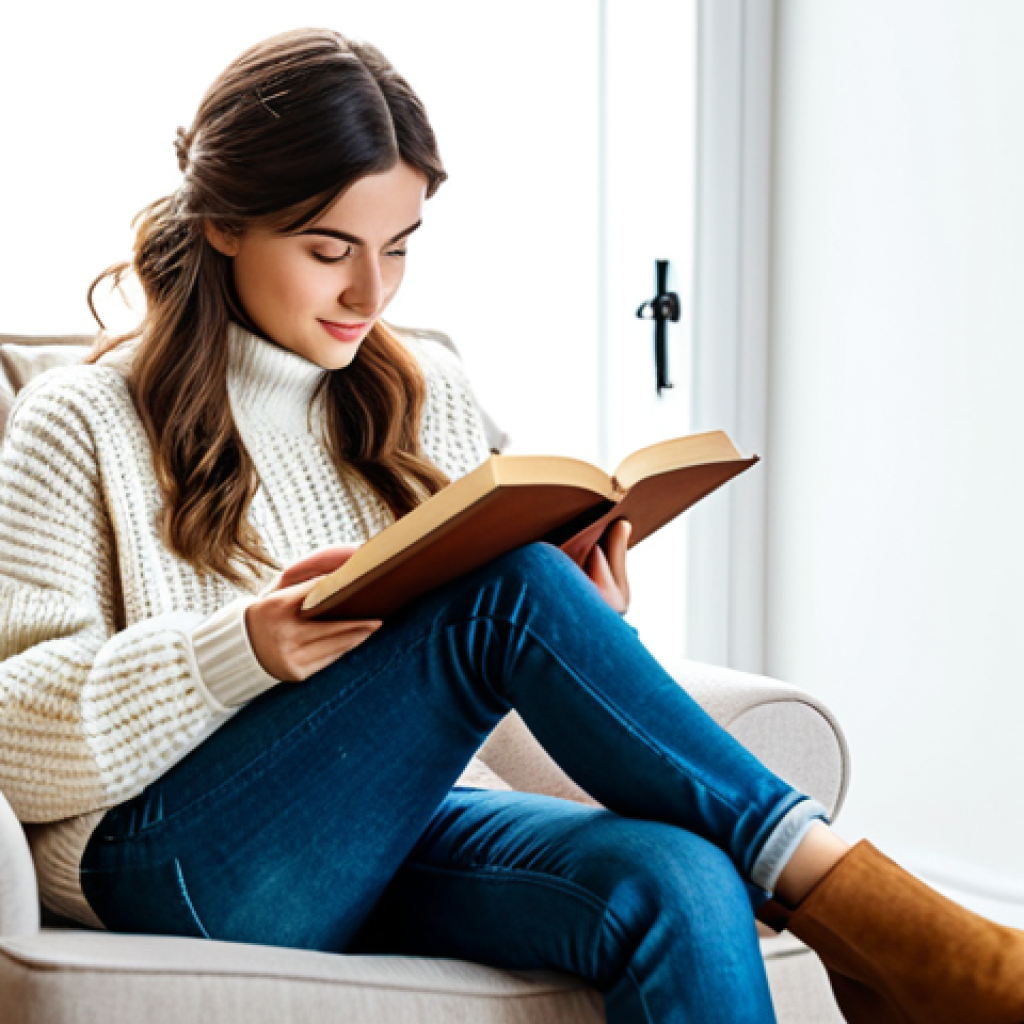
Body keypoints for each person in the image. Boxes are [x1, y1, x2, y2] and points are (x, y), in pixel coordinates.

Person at [0, 26, 1020, 1024]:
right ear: (225, 223)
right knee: (511, 590)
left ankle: (865, 928)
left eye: (398, 249)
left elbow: (446, 698)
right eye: (328, 250)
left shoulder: (420, 393)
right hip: (168, 860)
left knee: (678, 874)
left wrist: (589, 619)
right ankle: (877, 917)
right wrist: (243, 650)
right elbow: (11, 737)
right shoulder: (76, 418)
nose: (370, 292)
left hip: (380, 829)